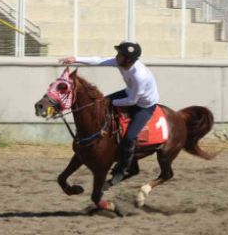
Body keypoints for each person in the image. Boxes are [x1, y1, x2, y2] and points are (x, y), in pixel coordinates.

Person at [59, 41, 160, 186]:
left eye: (120, 54)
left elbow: (132, 101)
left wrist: (111, 103)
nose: (116, 56)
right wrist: (76, 59)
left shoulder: (140, 76)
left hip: (144, 105)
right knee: (98, 105)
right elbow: (99, 60)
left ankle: (121, 170)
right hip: (128, 94)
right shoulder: (122, 62)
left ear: (129, 59)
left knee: (130, 138)